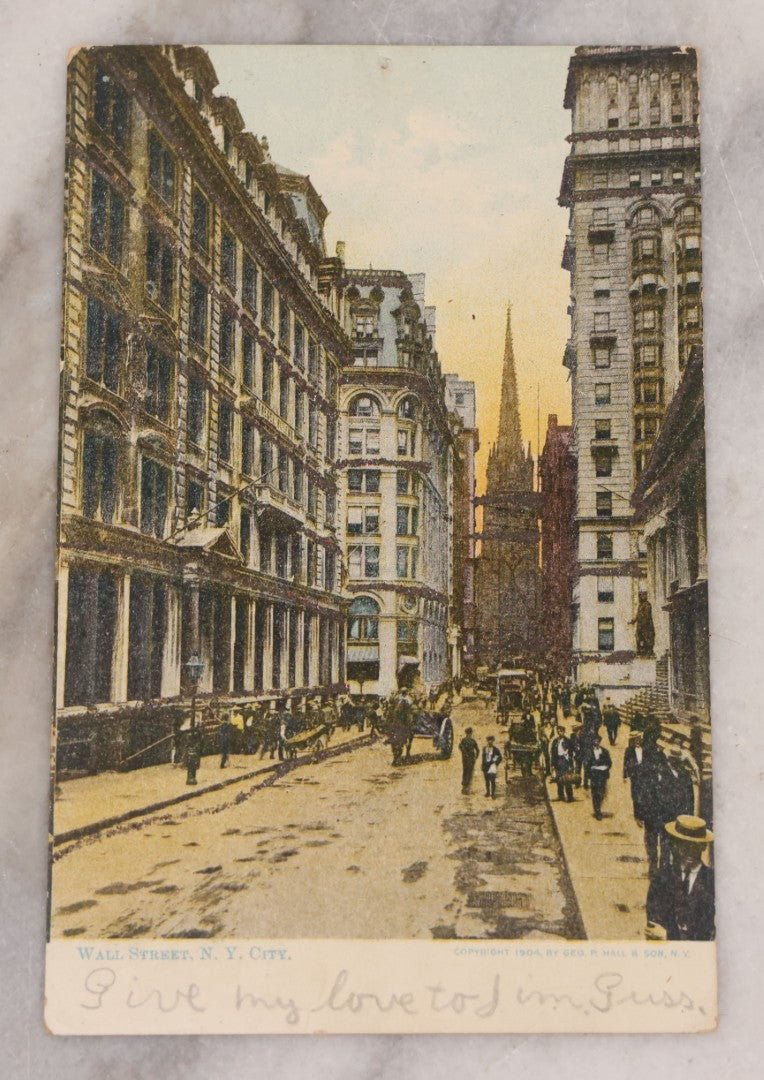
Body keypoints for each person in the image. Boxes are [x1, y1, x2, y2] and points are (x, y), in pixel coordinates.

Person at [645, 815, 715, 941]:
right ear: (675, 844)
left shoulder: (712, 881)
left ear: (704, 846)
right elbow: (654, 928)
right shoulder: (661, 878)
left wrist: (670, 936)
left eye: (695, 845)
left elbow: (708, 931)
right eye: (684, 844)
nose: (689, 851)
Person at [586, 734, 612, 819]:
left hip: (602, 775)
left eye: (597, 740)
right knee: (595, 793)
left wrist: (605, 767)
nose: (596, 742)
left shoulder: (605, 751)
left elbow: (609, 763)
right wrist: (591, 768)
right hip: (594, 775)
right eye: (594, 740)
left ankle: (598, 807)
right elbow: (586, 764)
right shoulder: (589, 752)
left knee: (602, 793)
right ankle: (597, 811)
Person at [550, 725, 575, 802]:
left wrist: (571, 764)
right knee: (559, 779)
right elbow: (553, 753)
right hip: (558, 760)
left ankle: (570, 796)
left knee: (567, 779)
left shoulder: (568, 741)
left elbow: (571, 753)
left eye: (561, 731)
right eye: (558, 731)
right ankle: (561, 796)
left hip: (565, 760)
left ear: (564, 732)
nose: (560, 732)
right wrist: (553, 764)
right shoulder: (555, 741)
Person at [458, 727, 480, 793]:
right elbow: (478, 750)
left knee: (465, 770)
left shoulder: (463, 740)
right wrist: (476, 757)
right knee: (469, 771)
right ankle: (467, 785)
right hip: (471, 758)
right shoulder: (473, 741)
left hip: (465, 758)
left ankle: (464, 785)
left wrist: (464, 752)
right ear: (471, 733)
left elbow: (459, 747)